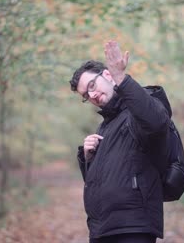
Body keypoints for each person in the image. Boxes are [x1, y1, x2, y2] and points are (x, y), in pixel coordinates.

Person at [69, 40, 170, 243]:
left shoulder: (138, 109)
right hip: (102, 229)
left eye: (92, 85)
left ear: (107, 75)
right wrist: (88, 158)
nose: (92, 95)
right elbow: (103, 179)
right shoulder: (106, 125)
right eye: (86, 95)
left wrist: (121, 78)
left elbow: (156, 121)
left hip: (133, 228)